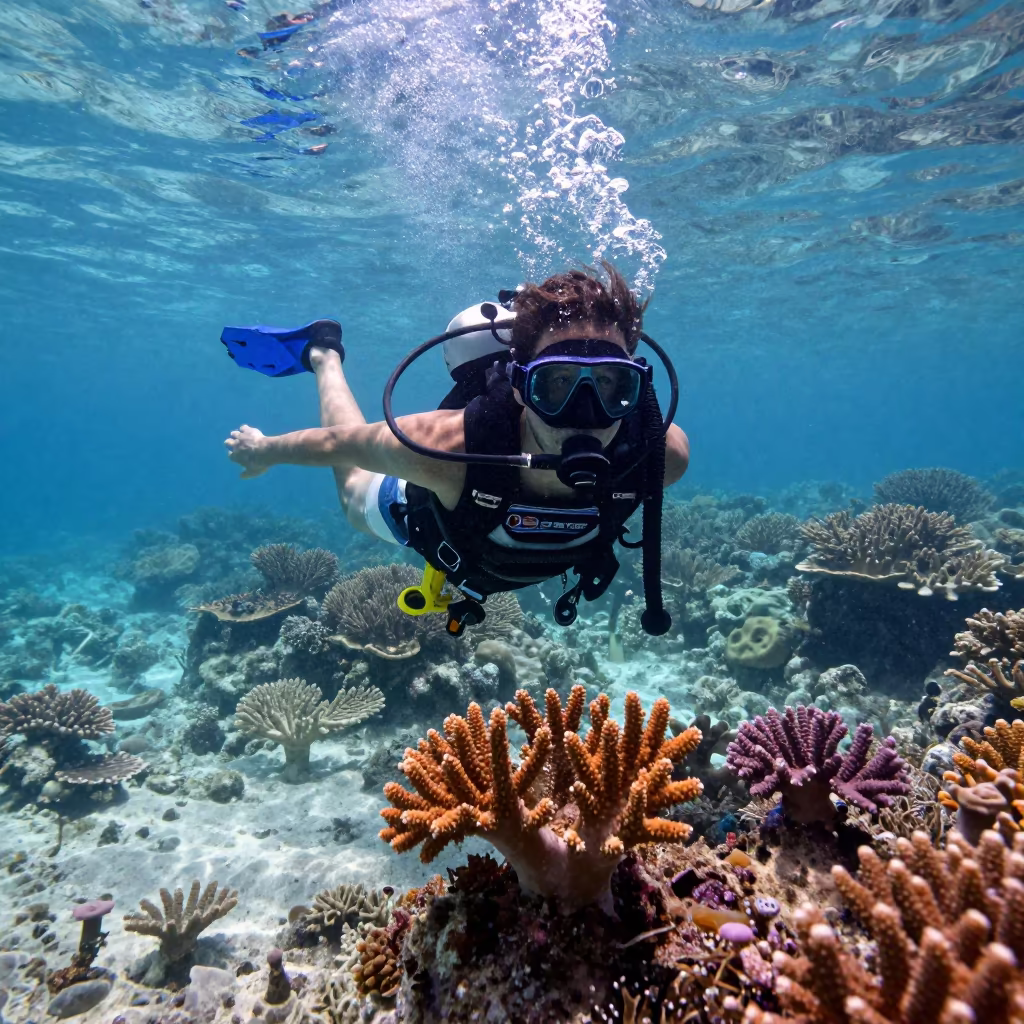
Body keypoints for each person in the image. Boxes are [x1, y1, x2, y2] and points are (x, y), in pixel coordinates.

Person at [223, 263, 689, 634]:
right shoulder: (447, 450)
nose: (583, 414)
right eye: (558, 384)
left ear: (636, 390)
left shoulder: (659, 455)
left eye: (611, 386)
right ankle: (323, 353)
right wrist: (264, 450)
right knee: (352, 491)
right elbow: (335, 443)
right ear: (522, 388)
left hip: (490, 554)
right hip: (429, 519)